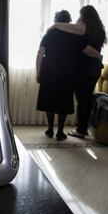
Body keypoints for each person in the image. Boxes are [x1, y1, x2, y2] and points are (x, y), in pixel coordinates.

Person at [50, 5, 106, 138]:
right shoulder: (100, 30)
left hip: (84, 69)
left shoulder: (83, 29)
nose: (79, 18)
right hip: (95, 68)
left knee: (82, 100)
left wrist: (55, 26)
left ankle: (81, 130)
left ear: (84, 16)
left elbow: (84, 48)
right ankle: (84, 128)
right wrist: (98, 56)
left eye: (81, 15)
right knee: (86, 98)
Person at [36, 10, 90, 141]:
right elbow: (87, 50)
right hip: (67, 73)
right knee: (63, 103)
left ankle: (50, 130)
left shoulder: (49, 34)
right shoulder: (76, 36)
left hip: (49, 71)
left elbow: (40, 54)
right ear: (69, 21)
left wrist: (38, 72)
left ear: (56, 21)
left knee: (49, 101)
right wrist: (99, 56)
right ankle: (60, 132)